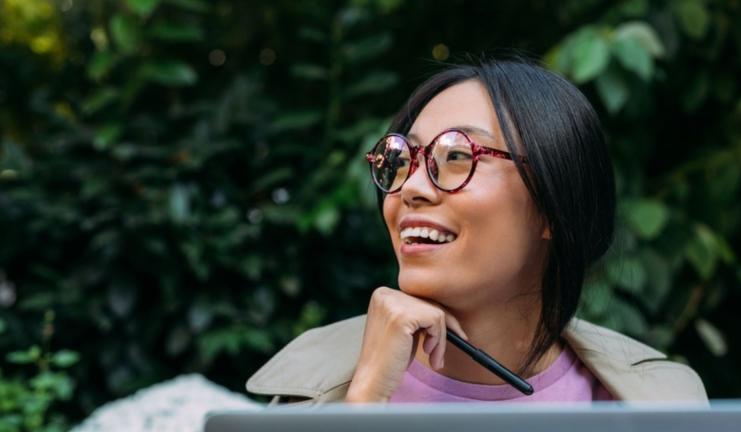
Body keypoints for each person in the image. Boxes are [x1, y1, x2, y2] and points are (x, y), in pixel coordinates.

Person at [245, 59, 708, 404]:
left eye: (458, 156)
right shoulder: (310, 388)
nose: (411, 189)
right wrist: (365, 398)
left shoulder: (652, 404)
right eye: (402, 158)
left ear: (553, 204)